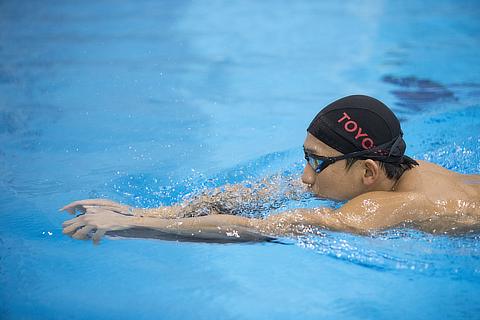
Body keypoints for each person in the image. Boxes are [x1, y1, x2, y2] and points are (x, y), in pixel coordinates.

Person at [60, 95, 480, 244]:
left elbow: (264, 228)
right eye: (305, 157)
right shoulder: (398, 166)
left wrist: (131, 231)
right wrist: (139, 211)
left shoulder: (386, 208)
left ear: (369, 171)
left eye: (317, 163)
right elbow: (262, 195)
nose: (304, 178)